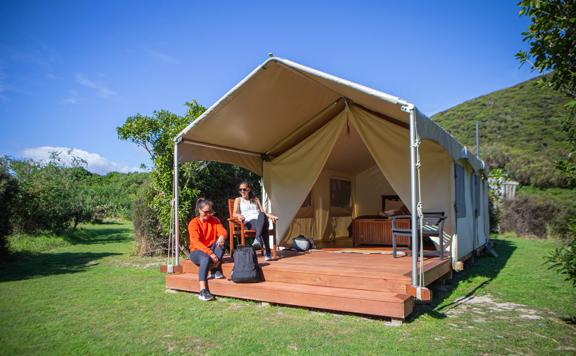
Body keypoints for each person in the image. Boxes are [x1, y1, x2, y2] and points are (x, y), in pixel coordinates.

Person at [188, 198, 227, 301]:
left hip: (211, 249)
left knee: (221, 244)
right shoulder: (193, 223)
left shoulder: (215, 220)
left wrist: (222, 236)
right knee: (205, 258)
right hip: (196, 250)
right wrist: (210, 253)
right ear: (199, 211)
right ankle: (202, 291)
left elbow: (223, 231)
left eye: (210, 211)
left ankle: (214, 269)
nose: (208, 214)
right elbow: (196, 242)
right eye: (206, 212)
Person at [233, 181, 278, 261]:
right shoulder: (238, 200)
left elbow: (263, 212)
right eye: (240, 190)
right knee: (264, 225)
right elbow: (234, 214)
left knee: (262, 216)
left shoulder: (256, 199)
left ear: (249, 189)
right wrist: (239, 215)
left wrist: (270, 215)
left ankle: (257, 239)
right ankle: (268, 252)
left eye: (244, 189)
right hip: (248, 222)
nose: (242, 191)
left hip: (259, 220)